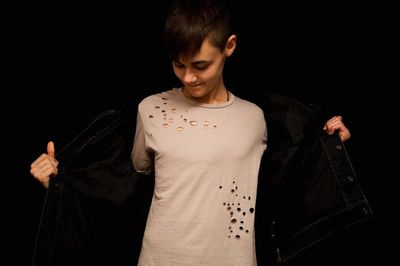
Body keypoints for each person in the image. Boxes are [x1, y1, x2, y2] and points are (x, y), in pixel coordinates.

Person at [30, 1, 369, 265]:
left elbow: (294, 181)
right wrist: (61, 184)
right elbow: (120, 190)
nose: (188, 78)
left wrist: (329, 146)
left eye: (200, 65)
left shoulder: (257, 120)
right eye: (179, 65)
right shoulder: (150, 109)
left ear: (230, 46)